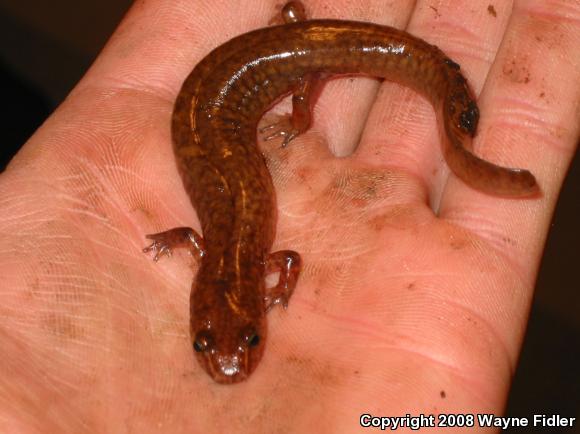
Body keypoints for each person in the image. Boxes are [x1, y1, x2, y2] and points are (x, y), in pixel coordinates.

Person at [0, 0, 577, 431]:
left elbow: (287, 258)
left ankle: (330, 82)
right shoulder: (213, 252)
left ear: (210, 299)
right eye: (224, 341)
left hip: (282, 65)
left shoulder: (247, 259)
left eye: (235, 339)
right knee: (303, 54)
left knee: (308, 68)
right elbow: (217, 243)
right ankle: (301, 38)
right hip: (270, 62)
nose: (230, 359)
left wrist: (277, 288)